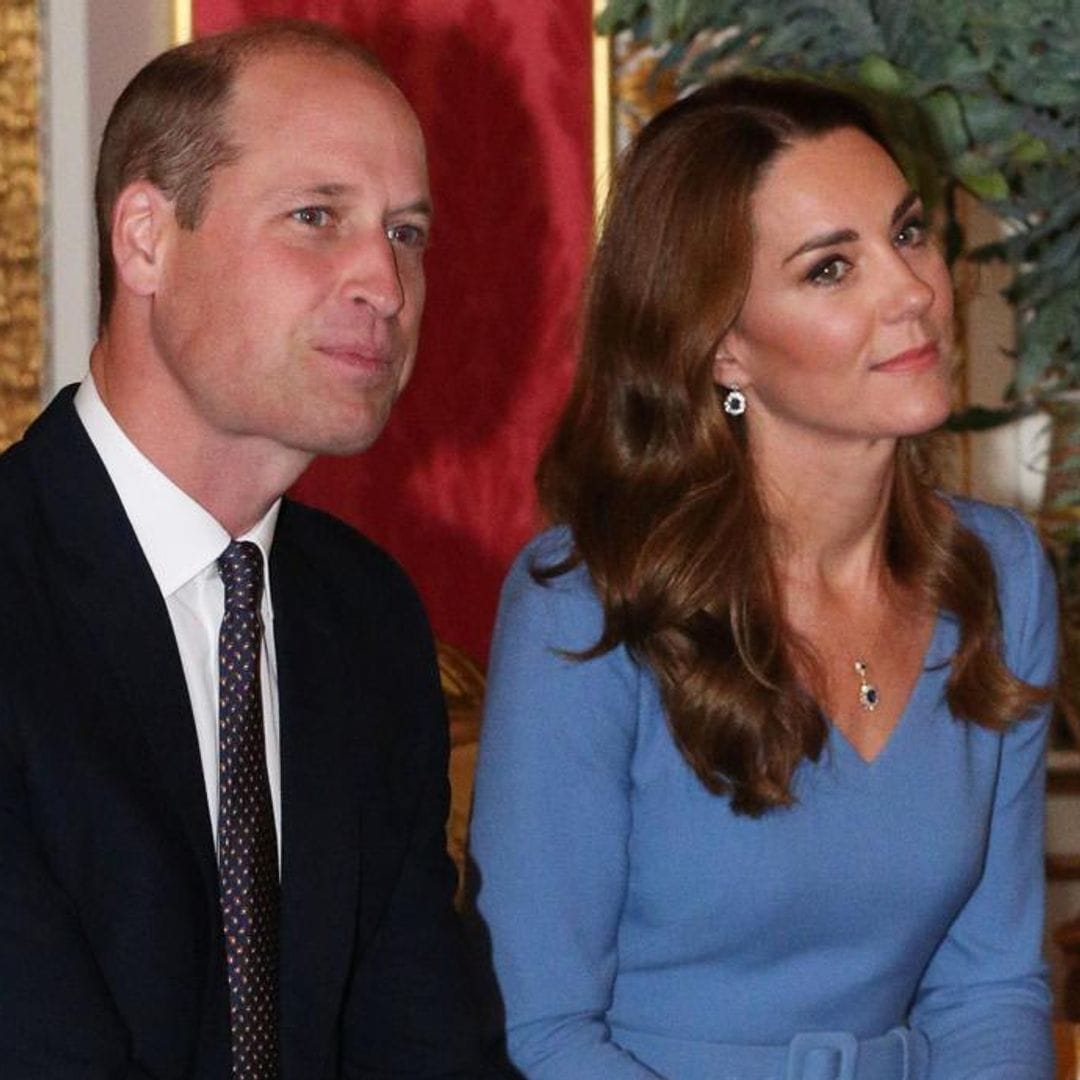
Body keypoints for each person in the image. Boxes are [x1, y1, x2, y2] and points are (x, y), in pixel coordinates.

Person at [470, 75, 1056, 1080]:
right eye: (832, 268)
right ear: (726, 344)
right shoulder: (586, 604)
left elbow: (989, 987)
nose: (913, 289)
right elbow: (544, 1031)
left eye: (907, 232)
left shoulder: (997, 574)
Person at [0, 20, 482, 1079]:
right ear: (145, 240)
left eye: (406, 233)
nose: (386, 288)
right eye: (317, 217)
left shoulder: (365, 614)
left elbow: (421, 1037)